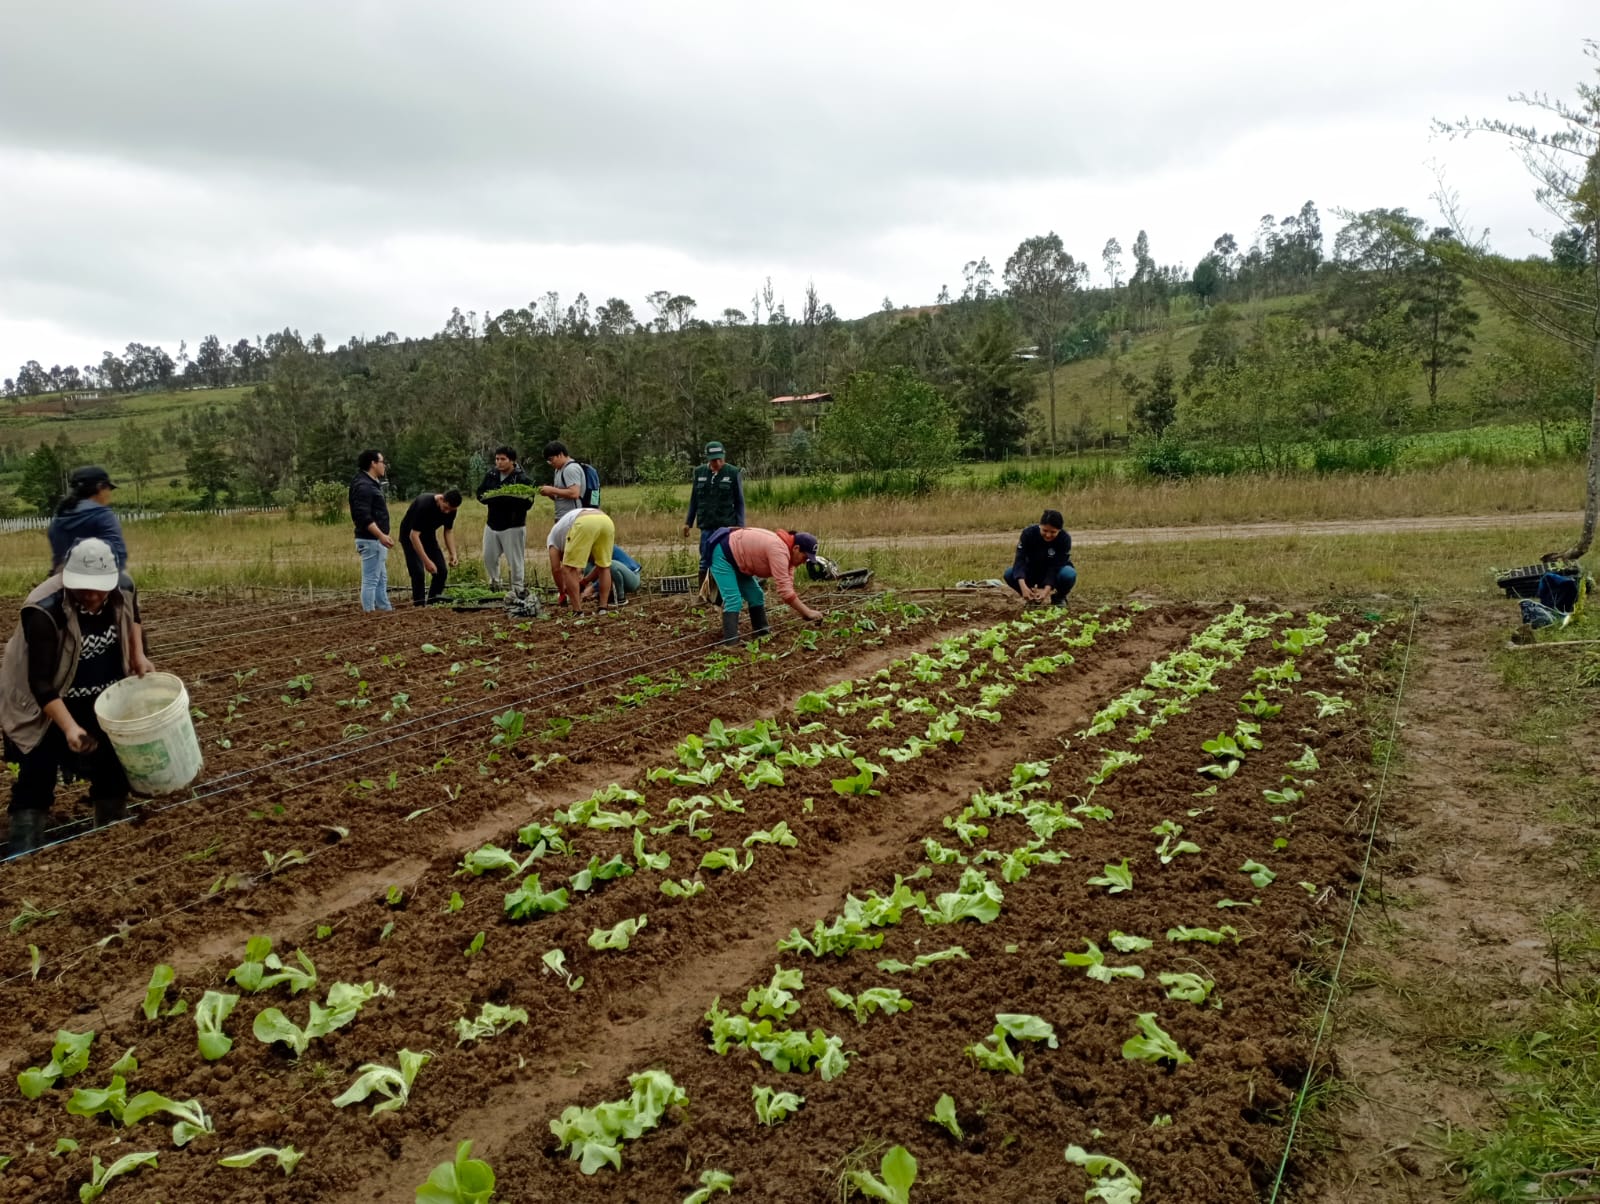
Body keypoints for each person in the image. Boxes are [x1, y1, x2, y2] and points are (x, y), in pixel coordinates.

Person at [1, 538, 155, 854]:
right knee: (37, 773)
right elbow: (41, 684)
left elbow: (134, 617)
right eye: (84, 589)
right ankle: (22, 855)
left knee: (113, 764)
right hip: (43, 705)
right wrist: (70, 728)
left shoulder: (123, 587)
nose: (94, 596)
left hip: (99, 696)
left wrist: (138, 654)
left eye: (100, 589)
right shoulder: (43, 609)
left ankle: (110, 839)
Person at [706, 526, 823, 643]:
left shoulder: (789, 557)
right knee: (733, 599)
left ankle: (762, 635)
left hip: (738, 560)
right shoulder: (779, 551)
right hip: (723, 554)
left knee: (756, 595)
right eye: (804, 557)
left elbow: (787, 586)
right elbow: (785, 592)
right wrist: (807, 612)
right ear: (796, 548)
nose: (803, 562)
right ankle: (731, 644)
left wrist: (803, 611)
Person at [684, 440, 745, 589]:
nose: (717, 462)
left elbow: (739, 502)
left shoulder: (733, 472)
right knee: (705, 559)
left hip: (726, 525)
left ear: (723, 456)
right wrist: (688, 522)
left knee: (728, 557)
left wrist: (740, 525)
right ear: (708, 459)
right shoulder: (699, 473)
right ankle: (704, 593)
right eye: (713, 459)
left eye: (719, 459)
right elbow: (694, 500)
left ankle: (728, 589)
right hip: (707, 524)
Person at [475, 445, 534, 594]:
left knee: (515, 561)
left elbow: (528, 502)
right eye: (497, 459)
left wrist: (505, 499)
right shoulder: (492, 475)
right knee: (489, 557)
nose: (499, 462)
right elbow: (481, 492)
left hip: (513, 525)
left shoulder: (522, 479)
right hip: (492, 523)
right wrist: (490, 498)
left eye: (503, 459)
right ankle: (495, 584)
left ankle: (517, 589)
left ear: (512, 461)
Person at [48, 465, 127, 572]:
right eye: (109, 489)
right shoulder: (103, 515)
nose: (109, 494)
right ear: (100, 487)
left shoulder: (58, 518)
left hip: (64, 577)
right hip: (100, 577)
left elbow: (57, 559)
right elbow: (118, 556)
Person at [547, 507, 615, 616]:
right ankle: (603, 608)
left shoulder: (552, 540)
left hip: (585, 522)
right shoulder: (562, 535)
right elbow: (578, 567)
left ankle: (577, 612)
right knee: (604, 566)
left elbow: (556, 569)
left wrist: (562, 592)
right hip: (606, 521)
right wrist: (582, 582)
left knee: (567, 569)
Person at [349, 449, 394, 612]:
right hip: (371, 540)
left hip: (374, 540)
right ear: (373, 464)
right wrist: (381, 535)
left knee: (381, 578)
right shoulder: (364, 486)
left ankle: (384, 608)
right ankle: (369, 613)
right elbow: (363, 516)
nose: (384, 466)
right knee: (371, 579)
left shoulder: (367, 483)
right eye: (382, 462)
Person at [399, 489, 462, 606]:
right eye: (446, 507)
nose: (447, 512)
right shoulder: (424, 504)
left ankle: (433, 602)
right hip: (410, 535)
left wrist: (453, 553)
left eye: (451, 510)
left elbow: (448, 531)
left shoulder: (452, 510)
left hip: (428, 535)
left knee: (441, 571)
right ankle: (419, 605)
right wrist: (427, 561)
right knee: (418, 571)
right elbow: (414, 535)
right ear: (441, 499)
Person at [1004, 508, 1076, 606]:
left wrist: (1046, 591)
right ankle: (1030, 597)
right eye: (1045, 530)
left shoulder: (1065, 539)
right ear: (1040, 526)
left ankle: (1059, 598)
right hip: (1032, 570)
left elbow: (1055, 567)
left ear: (1059, 530)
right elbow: (1020, 560)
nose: (1048, 535)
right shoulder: (1028, 533)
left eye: (1053, 532)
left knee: (1069, 574)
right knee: (1009, 573)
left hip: (1054, 572)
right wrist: (1023, 587)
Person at [540, 441, 587, 522]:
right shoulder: (558, 470)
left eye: (551, 459)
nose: (551, 463)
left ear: (560, 454)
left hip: (573, 518)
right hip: (561, 517)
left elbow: (574, 493)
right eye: (548, 461)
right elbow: (560, 496)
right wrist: (549, 493)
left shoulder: (571, 469)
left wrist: (552, 490)